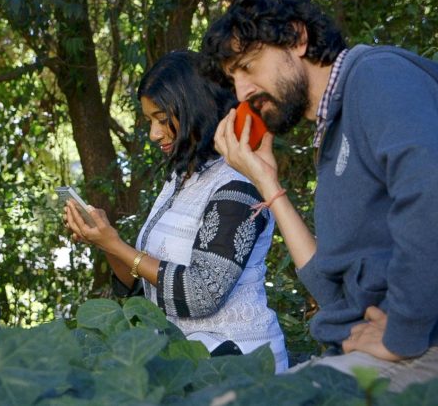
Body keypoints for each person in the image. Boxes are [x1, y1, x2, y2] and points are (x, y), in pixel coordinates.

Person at [199, 0, 438, 398]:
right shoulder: (333, 134)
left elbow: (437, 205)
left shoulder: (377, 77)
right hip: (385, 350)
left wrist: (401, 332)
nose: (242, 93)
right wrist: (267, 183)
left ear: (297, 38)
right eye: (232, 78)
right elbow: (335, 295)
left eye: (250, 66)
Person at [63, 50, 288, 372]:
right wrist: (104, 241)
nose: (154, 134)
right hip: (184, 364)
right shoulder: (180, 178)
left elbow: (201, 294)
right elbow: (143, 285)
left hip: (238, 367)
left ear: (195, 106)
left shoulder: (239, 184)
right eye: (149, 121)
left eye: (161, 118)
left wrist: (116, 244)